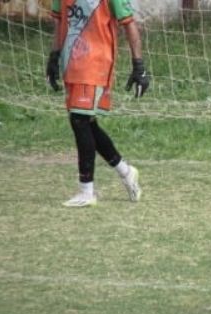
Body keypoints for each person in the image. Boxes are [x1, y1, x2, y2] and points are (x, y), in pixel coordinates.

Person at [46, 0, 150, 207]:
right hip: (71, 63)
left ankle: (87, 191)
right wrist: (54, 56)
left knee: (79, 120)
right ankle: (126, 172)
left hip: (96, 63)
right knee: (86, 122)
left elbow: (129, 23)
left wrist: (139, 66)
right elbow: (60, 22)